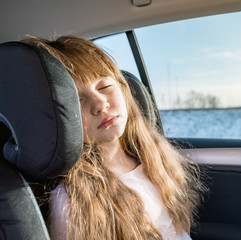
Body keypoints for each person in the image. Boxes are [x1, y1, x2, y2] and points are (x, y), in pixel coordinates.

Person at [23, 36, 205, 240]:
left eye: (103, 87)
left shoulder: (156, 162)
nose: (100, 103)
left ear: (123, 90)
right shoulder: (74, 202)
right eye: (77, 100)